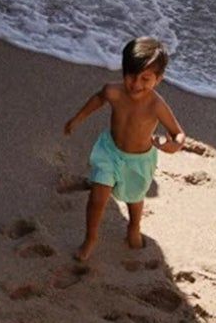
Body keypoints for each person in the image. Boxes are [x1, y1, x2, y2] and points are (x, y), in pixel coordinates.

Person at [62, 36, 190, 263]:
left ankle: (134, 226)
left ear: (158, 79)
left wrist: (171, 145)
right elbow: (98, 99)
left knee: (134, 198)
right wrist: (77, 118)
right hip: (110, 152)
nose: (136, 84)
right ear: (123, 71)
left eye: (146, 78)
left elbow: (177, 133)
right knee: (97, 196)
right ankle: (91, 238)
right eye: (131, 75)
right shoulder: (114, 91)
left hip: (139, 160)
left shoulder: (156, 105)